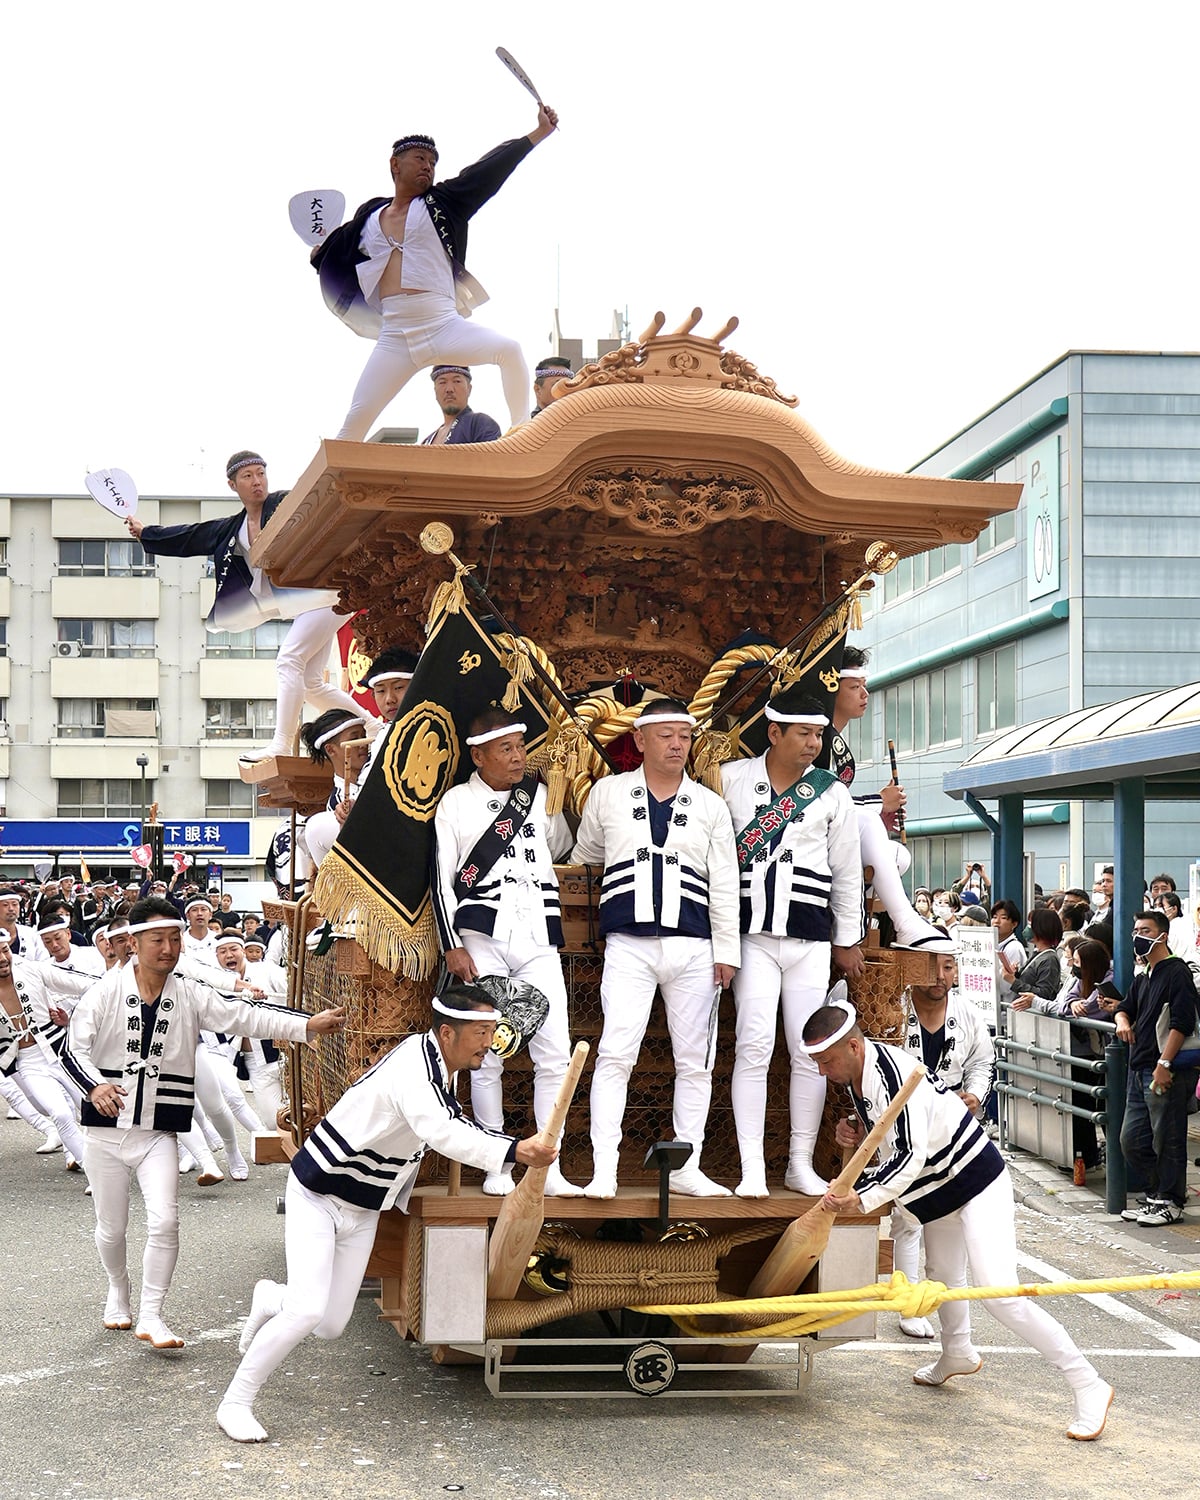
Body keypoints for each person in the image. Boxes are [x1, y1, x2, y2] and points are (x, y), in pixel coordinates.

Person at [216, 984, 557, 1443]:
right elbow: (442, 1131)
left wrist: (514, 1149)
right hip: (319, 1192)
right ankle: (235, 1402)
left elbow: (450, 1123)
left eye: (492, 1030)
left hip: (366, 1204)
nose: (489, 1042)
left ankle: (270, 1298)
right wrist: (517, 1150)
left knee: (331, 1324)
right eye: (481, 1032)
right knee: (306, 1312)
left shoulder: (441, 1062)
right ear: (448, 1032)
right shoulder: (416, 1069)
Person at [807, 1001, 1114, 1441]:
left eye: (826, 1062)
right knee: (942, 1277)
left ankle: (1088, 1382)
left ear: (854, 1046)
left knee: (1000, 1294)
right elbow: (894, 1138)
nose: (822, 1072)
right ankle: (957, 1353)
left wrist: (862, 1198)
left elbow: (909, 1157)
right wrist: (853, 1129)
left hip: (975, 1178)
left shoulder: (892, 1075)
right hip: (938, 1186)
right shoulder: (860, 1070)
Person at [61, 898, 346, 1347]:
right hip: (105, 1130)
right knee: (112, 1228)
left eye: (175, 939)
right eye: (158, 939)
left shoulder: (189, 992)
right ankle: (118, 1288)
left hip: (159, 1130)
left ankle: (152, 1315)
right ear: (133, 943)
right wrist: (95, 1086)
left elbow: (243, 1013)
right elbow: (72, 1050)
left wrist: (306, 1024)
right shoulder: (105, 991)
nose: (169, 948)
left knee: (165, 1222)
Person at [573, 698, 740, 1198]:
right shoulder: (607, 794)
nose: (676, 745)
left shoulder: (710, 805)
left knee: (696, 1061)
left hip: (695, 948)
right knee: (614, 1055)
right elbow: (586, 857)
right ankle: (604, 1168)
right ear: (640, 739)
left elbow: (725, 882)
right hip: (628, 944)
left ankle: (687, 1167)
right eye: (665, 735)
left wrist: (726, 950)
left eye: (684, 736)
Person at [313, 110, 559, 441]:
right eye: (420, 158)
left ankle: (523, 437)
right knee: (354, 422)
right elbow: (336, 251)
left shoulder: (443, 203)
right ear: (395, 165)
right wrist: (319, 257)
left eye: (433, 161)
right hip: (395, 337)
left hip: (443, 325)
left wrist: (537, 134)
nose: (428, 166)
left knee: (509, 350)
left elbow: (487, 171)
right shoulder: (369, 216)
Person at [128, 452, 380, 762]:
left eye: (260, 473)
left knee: (288, 659)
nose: (257, 481)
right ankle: (374, 725)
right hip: (306, 602)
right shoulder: (232, 528)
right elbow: (190, 537)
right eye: (248, 476)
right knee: (311, 685)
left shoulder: (286, 505)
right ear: (233, 484)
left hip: (329, 592)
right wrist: (147, 534)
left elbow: (324, 500)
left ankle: (281, 744)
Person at [719, 686, 863, 1197]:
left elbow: (846, 871)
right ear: (773, 731)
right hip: (751, 935)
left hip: (810, 939)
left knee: (809, 1054)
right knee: (754, 1046)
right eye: (803, 733)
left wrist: (848, 938)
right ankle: (752, 1167)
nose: (813, 744)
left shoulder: (832, 793)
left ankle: (798, 1162)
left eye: (819, 734)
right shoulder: (730, 780)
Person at [432, 709, 577, 1196]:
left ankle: (548, 1167)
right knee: (487, 1053)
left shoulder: (537, 796)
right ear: (479, 755)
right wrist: (452, 944)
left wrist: (557, 801)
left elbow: (560, 844)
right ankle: (497, 1163)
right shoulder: (455, 803)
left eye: (521, 746)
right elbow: (442, 877)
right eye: (508, 749)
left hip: (538, 933)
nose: (519, 757)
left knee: (553, 1051)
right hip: (482, 938)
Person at [893, 954, 996, 1337]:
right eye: (931, 966)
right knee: (908, 1217)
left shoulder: (966, 1012)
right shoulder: (893, 1008)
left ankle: (955, 1330)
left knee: (950, 1216)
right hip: (904, 1123)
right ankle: (907, 1306)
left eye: (949, 967)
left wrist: (975, 1095)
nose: (940, 976)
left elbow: (983, 1061)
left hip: (953, 1127)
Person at [823, 650, 953, 952]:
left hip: (833, 837)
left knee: (898, 855)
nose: (865, 694)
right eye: (855, 687)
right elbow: (821, 802)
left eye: (864, 686)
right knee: (867, 820)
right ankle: (904, 922)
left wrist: (878, 814)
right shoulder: (816, 740)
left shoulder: (835, 741)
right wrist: (877, 803)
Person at [1114, 910, 1200, 1227]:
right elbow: (1125, 1008)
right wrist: (1122, 1020)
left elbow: (1183, 1021)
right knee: (1132, 1140)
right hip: (1138, 1070)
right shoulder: (1144, 977)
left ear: (1161, 935)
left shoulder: (1176, 972)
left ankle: (1170, 1200)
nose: (1138, 935)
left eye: (1145, 930)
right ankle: (1155, 1195)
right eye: (1135, 929)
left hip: (1165, 1070)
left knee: (1169, 1138)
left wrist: (1165, 1062)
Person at [1013, 937, 1117, 1172]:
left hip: (1095, 1055)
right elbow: (1066, 1002)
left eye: (1077, 962)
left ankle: (1090, 1158)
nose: (1073, 967)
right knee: (1078, 1105)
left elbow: (1089, 1010)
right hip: (1077, 1049)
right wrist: (1071, 1005)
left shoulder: (1108, 979)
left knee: (1089, 1107)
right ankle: (1084, 1157)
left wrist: (1069, 1008)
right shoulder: (1082, 978)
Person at [298, 710, 372, 868]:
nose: (364, 743)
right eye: (354, 738)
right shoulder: (337, 804)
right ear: (331, 750)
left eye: (363, 736)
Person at [420, 365, 501, 445]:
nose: (449, 389)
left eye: (457, 381)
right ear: (435, 391)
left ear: (469, 389)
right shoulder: (426, 442)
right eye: (442, 382)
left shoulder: (479, 424)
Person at [1010, 908, 1064, 1005]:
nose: (1027, 928)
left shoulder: (1049, 959)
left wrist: (1013, 982)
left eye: (1030, 925)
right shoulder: (1038, 953)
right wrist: (1016, 974)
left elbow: (1044, 994)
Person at [990, 899, 1027, 1004]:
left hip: (1007, 1008)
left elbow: (1006, 987)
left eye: (1003, 918)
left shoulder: (1013, 947)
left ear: (1014, 924)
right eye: (994, 917)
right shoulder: (995, 944)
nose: (996, 921)